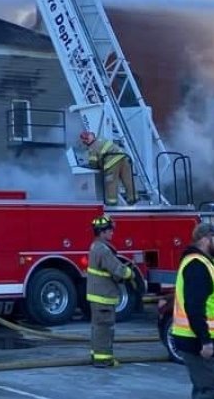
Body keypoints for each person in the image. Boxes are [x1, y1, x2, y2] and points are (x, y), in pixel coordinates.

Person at [171, 222, 214, 399]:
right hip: (202, 344)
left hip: (203, 342)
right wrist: (205, 341)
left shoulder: (202, 264)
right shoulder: (197, 265)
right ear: (205, 240)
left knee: (205, 389)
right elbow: (194, 306)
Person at [86, 214, 133, 368]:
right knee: (104, 329)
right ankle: (104, 359)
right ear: (102, 232)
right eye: (110, 230)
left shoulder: (95, 246)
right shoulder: (103, 250)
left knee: (98, 328)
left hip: (97, 296)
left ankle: (96, 355)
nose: (112, 233)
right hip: (103, 297)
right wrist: (129, 273)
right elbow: (117, 269)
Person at [77, 130, 137, 206]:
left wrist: (89, 164)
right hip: (124, 158)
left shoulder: (92, 147)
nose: (84, 143)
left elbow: (93, 164)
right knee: (128, 181)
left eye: (84, 142)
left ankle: (112, 204)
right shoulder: (101, 139)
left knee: (111, 184)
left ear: (86, 140)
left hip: (111, 164)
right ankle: (133, 199)